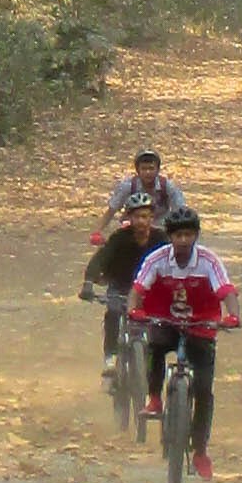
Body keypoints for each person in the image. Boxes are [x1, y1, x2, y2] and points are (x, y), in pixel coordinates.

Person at [126, 207, 241, 480]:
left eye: (189, 234)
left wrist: (233, 315)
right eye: (178, 235)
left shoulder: (208, 261)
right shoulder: (157, 259)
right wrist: (134, 310)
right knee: (154, 346)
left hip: (201, 325)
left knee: (203, 391)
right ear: (170, 236)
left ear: (196, 235)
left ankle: (200, 450)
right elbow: (137, 290)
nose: (183, 240)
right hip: (164, 319)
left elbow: (226, 290)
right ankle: (154, 398)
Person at [82, 149, 191, 379]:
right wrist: (89, 282)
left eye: (146, 217)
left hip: (148, 289)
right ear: (129, 218)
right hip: (121, 286)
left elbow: (176, 263)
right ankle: (110, 357)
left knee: (160, 325)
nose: (142, 222)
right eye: (137, 217)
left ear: (152, 218)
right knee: (112, 311)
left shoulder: (162, 239)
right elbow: (100, 258)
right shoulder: (120, 238)